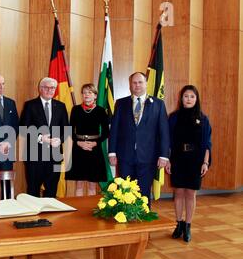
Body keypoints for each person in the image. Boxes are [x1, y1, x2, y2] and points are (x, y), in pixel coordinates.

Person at [108, 72, 169, 207]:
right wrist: (112, 152)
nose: (137, 85)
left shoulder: (158, 104)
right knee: (125, 191)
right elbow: (115, 130)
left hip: (148, 157)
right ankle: (125, 219)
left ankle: (143, 220)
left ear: (146, 83)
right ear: (130, 85)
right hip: (125, 156)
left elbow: (164, 132)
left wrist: (164, 155)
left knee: (144, 192)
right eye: (134, 83)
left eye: (140, 82)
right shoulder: (121, 103)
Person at [165, 85, 212, 243]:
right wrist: (168, 159)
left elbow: (207, 144)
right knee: (178, 192)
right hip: (178, 158)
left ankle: (188, 226)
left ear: (196, 99)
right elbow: (168, 142)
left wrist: (205, 162)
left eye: (192, 96)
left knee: (191, 193)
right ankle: (178, 224)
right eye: (186, 96)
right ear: (181, 98)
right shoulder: (174, 117)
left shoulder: (203, 119)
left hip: (195, 160)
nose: (189, 99)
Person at [20, 77, 69, 197]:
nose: (50, 90)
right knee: (33, 191)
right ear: (40, 88)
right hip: (35, 157)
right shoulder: (30, 105)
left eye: (52, 88)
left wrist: (60, 140)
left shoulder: (61, 106)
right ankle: (34, 216)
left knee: (51, 191)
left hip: (54, 157)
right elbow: (23, 128)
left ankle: (50, 216)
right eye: (47, 87)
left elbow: (66, 130)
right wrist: (41, 138)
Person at [66, 83, 109, 196]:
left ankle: (90, 211)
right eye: (84, 93)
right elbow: (70, 130)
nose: (86, 95)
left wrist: (95, 143)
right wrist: (79, 142)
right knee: (79, 183)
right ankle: (78, 211)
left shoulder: (101, 111)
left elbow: (106, 132)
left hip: (94, 149)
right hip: (78, 148)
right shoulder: (75, 110)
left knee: (92, 184)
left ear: (95, 96)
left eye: (89, 92)